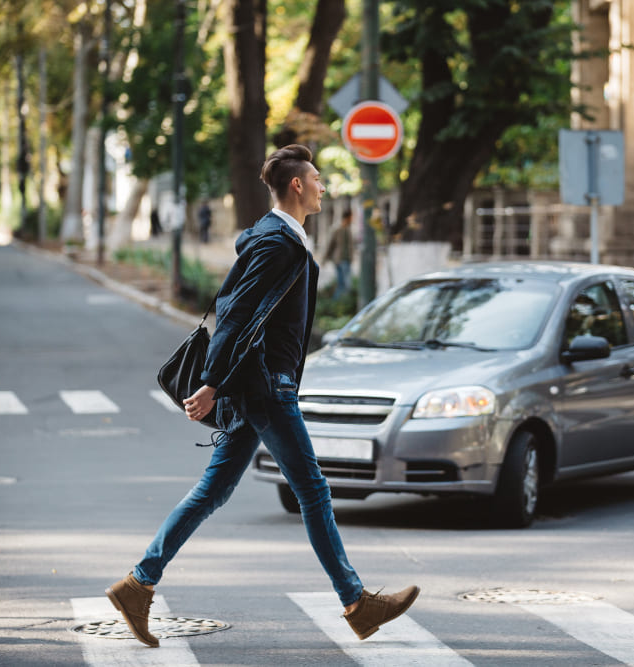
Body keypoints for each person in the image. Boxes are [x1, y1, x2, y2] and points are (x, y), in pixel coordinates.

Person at [105, 144, 419, 648]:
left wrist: (221, 382)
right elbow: (236, 314)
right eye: (317, 178)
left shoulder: (281, 237)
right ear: (297, 185)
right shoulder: (277, 242)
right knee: (313, 491)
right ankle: (357, 602)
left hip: (258, 386)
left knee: (214, 491)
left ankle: (138, 584)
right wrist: (211, 382)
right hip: (266, 387)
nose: (322, 185)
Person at [323, 209, 353, 300]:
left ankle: (339, 303)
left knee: (343, 284)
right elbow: (330, 245)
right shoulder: (337, 229)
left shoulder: (348, 229)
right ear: (348, 217)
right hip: (340, 260)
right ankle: (338, 302)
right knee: (345, 284)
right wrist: (325, 258)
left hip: (347, 260)